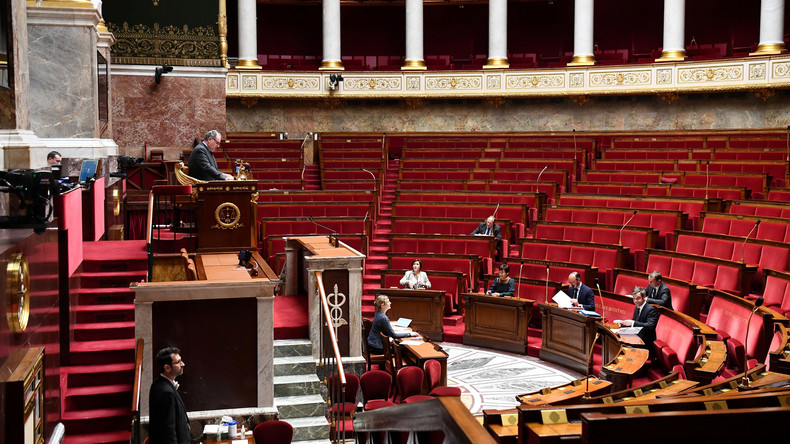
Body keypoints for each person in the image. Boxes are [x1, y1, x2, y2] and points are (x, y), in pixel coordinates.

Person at [149, 346, 190, 444]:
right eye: (178, 362)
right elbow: (168, 429)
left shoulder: (159, 384)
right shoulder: (165, 392)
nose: (182, 364)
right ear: (167, 368)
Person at [615, 287, 659, 352]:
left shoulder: (650, 310)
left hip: (645, 342)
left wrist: (633, 323)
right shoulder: (637, 308)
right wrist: (624, 324)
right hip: (637, 337)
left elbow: (650, 326)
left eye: (638, 298)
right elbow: (635, 323)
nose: (635, 301)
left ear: (644, 297)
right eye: (634, 299)